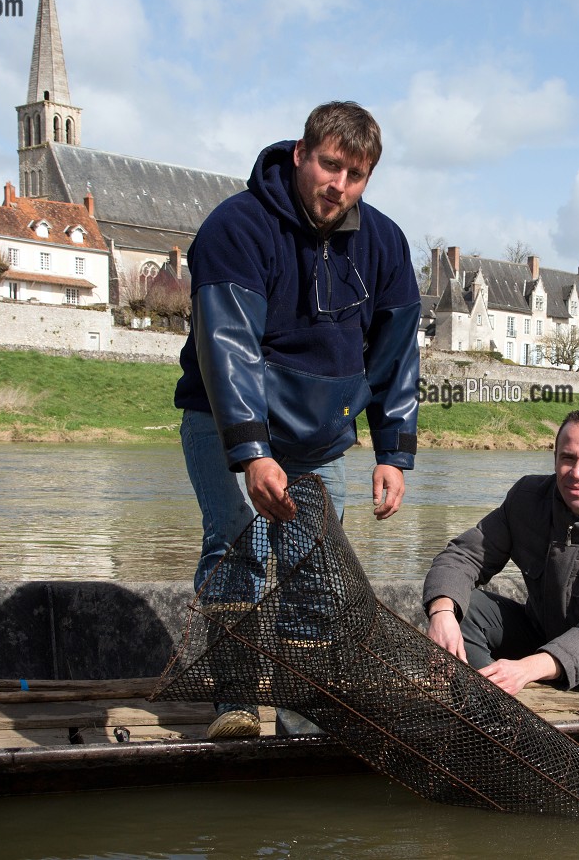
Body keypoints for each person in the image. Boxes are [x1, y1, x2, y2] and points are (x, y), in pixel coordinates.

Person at [174, 101, 421, 737]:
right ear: (300, 156)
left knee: (316, 571)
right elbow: (226, 345)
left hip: (319, 439)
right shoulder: (237, 227)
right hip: (228, 421)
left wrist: (392, 452)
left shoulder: (386, 244)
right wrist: (251, 451)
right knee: (238, 551)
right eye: (330, 165)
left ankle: (298, 706)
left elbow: (395, 356)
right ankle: (233, 701)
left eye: (356, 175)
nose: (339, 185)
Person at [422, 409, 579, 717]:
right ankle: (488, 713)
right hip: (543, 630)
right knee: (461, 608)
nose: (577, 472)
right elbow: (463, 555)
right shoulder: (527, 498)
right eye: (568, 458)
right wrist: (441, 612)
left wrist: (527, 668)